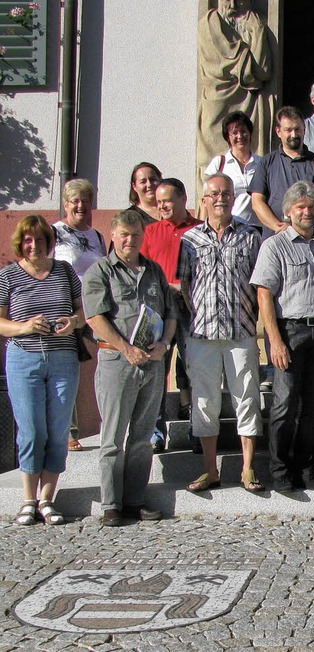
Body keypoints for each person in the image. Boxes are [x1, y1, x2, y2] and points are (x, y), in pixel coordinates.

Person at [251, 181, 314, 493]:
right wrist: (274, 341)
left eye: (311, 207)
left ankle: (308, 470)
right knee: (283, 404)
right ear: (288, 212)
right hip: (289, 333)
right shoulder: (275, 246)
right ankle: (280, 471)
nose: (306, 212)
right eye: (300, 208)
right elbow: (264, 296)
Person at [83, 210, 177, 527]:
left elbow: (171, 314)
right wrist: (126, 348)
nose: (130, 239)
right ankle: (111, 504)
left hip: (151, 363)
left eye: (136, 234)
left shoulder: (154, 271)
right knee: (112, 439)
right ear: (113, 235)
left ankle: (135, 501)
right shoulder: (100, 271)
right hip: (116, 361)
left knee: (140, 438)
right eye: (124, 233)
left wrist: (164, 343)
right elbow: (95, 317)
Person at [178, 173, 264, 493]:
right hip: (202, 335)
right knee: (205, 402)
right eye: (213, 193)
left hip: (241, 332)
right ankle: (210, 470)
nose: (220, 198)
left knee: (247, 400)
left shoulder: (251, 236)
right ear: (203, 200)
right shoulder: (188, 240)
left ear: (233, 196)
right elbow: (183, 286)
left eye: (225, 193)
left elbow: (260, 284)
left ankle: (247, 468)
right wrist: (200, 313)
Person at [0, 215, 84, 525]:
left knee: (58, 432)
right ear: (20, 243)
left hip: (63, 359)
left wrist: (72, 322)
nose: (33, 245)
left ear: (49, 242)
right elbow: (0, 322)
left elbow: (83, 310)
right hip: (24, 359)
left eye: (39, 239)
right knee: (32, 431)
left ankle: (47, 499)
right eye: (27, 239)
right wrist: (23, 327)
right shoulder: (8, 276)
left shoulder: (64, 271)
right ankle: (27, 500)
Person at [139, 178, 200, 453]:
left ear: (182, 199)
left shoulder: (199, 229)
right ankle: (155, 433)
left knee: (195, 369)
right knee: (156, 371)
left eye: (167, 200)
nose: (162, 205)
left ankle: (198, 429)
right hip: (160, 312)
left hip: (190, 309)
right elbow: (141, 272)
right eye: (159, 201)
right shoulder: (150, 232)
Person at [196, 0, 273, 180]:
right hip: (216, 103)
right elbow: (228, 70)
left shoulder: (254, 24)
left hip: (251, 102)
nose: (232, 5)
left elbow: (263, 72)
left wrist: (257, 31)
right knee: (210, 171)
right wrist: (248, 63)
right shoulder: (208, 25)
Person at [52, 178, 107, 452]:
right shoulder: (55, 232)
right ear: (66, 204)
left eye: (85, 200)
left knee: (103, 364)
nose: (80, 205)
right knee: (69, 369)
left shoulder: (96, 236)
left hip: (95, 309)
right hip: (67, 309)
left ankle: (104, 425)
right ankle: (69, 431)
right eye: (74, 200)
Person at [249, 106, 314, 237]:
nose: (294, 134)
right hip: (274, 238)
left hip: (307, 238)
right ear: (278, 131)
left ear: (304, 129)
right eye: (288, 130)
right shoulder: (266, 162)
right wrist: (281, 228)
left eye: (297, 129)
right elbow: (257, 202)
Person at [202, 111, 262, 226]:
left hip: (258, 227)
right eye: (234, 133)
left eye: (244, 131)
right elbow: (207, 197)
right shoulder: (219, 163)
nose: (240, 136)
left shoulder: (262, 163)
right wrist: (203, 227)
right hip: (229, 227)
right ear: (228, 137)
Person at [128, 162, 162, 227]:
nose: (149, 185)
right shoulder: (130, 217)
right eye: (143, 181)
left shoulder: (173, 210)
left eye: (153, 179)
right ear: (134, 186)